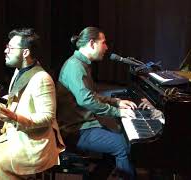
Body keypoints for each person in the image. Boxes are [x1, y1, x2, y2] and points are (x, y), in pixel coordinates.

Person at [0, 28, 65, 180]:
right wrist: (2, 104)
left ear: (25, 52)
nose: (5, 50)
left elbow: (48, 117)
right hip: (19, 135)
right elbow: (19, 97)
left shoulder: (42, 78)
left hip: (35, 143)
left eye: (10, 47)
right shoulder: (19, 71)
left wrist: (14, 117)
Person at [56, 27, 143, 179]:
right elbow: (86, 100)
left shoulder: (81, 64)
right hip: (75, 130)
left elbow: (92, 94)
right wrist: (118, 112)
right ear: (92, 43)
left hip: (84, 124)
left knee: (117, 145)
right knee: (122, 146)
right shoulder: (75, 67)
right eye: (103, 43)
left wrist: (116, 102)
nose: (106, 47)